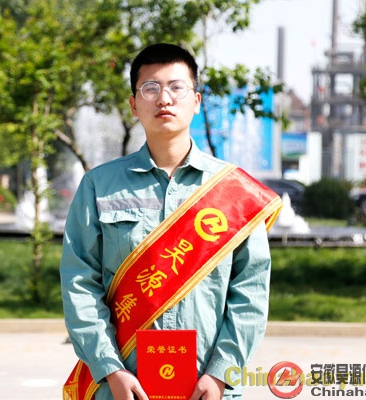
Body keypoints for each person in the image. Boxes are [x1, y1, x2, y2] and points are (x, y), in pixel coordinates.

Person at [60, 43, 281, 400]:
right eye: (150, 88)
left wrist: (221, 374)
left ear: (196, 101)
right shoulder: (99, 186)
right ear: (134, 104)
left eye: (177, 87)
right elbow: (80, 282)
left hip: (208, 387)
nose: (164, 98)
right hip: (122, 386)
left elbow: (250, 291)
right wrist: (110, 369)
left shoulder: (233, 191)